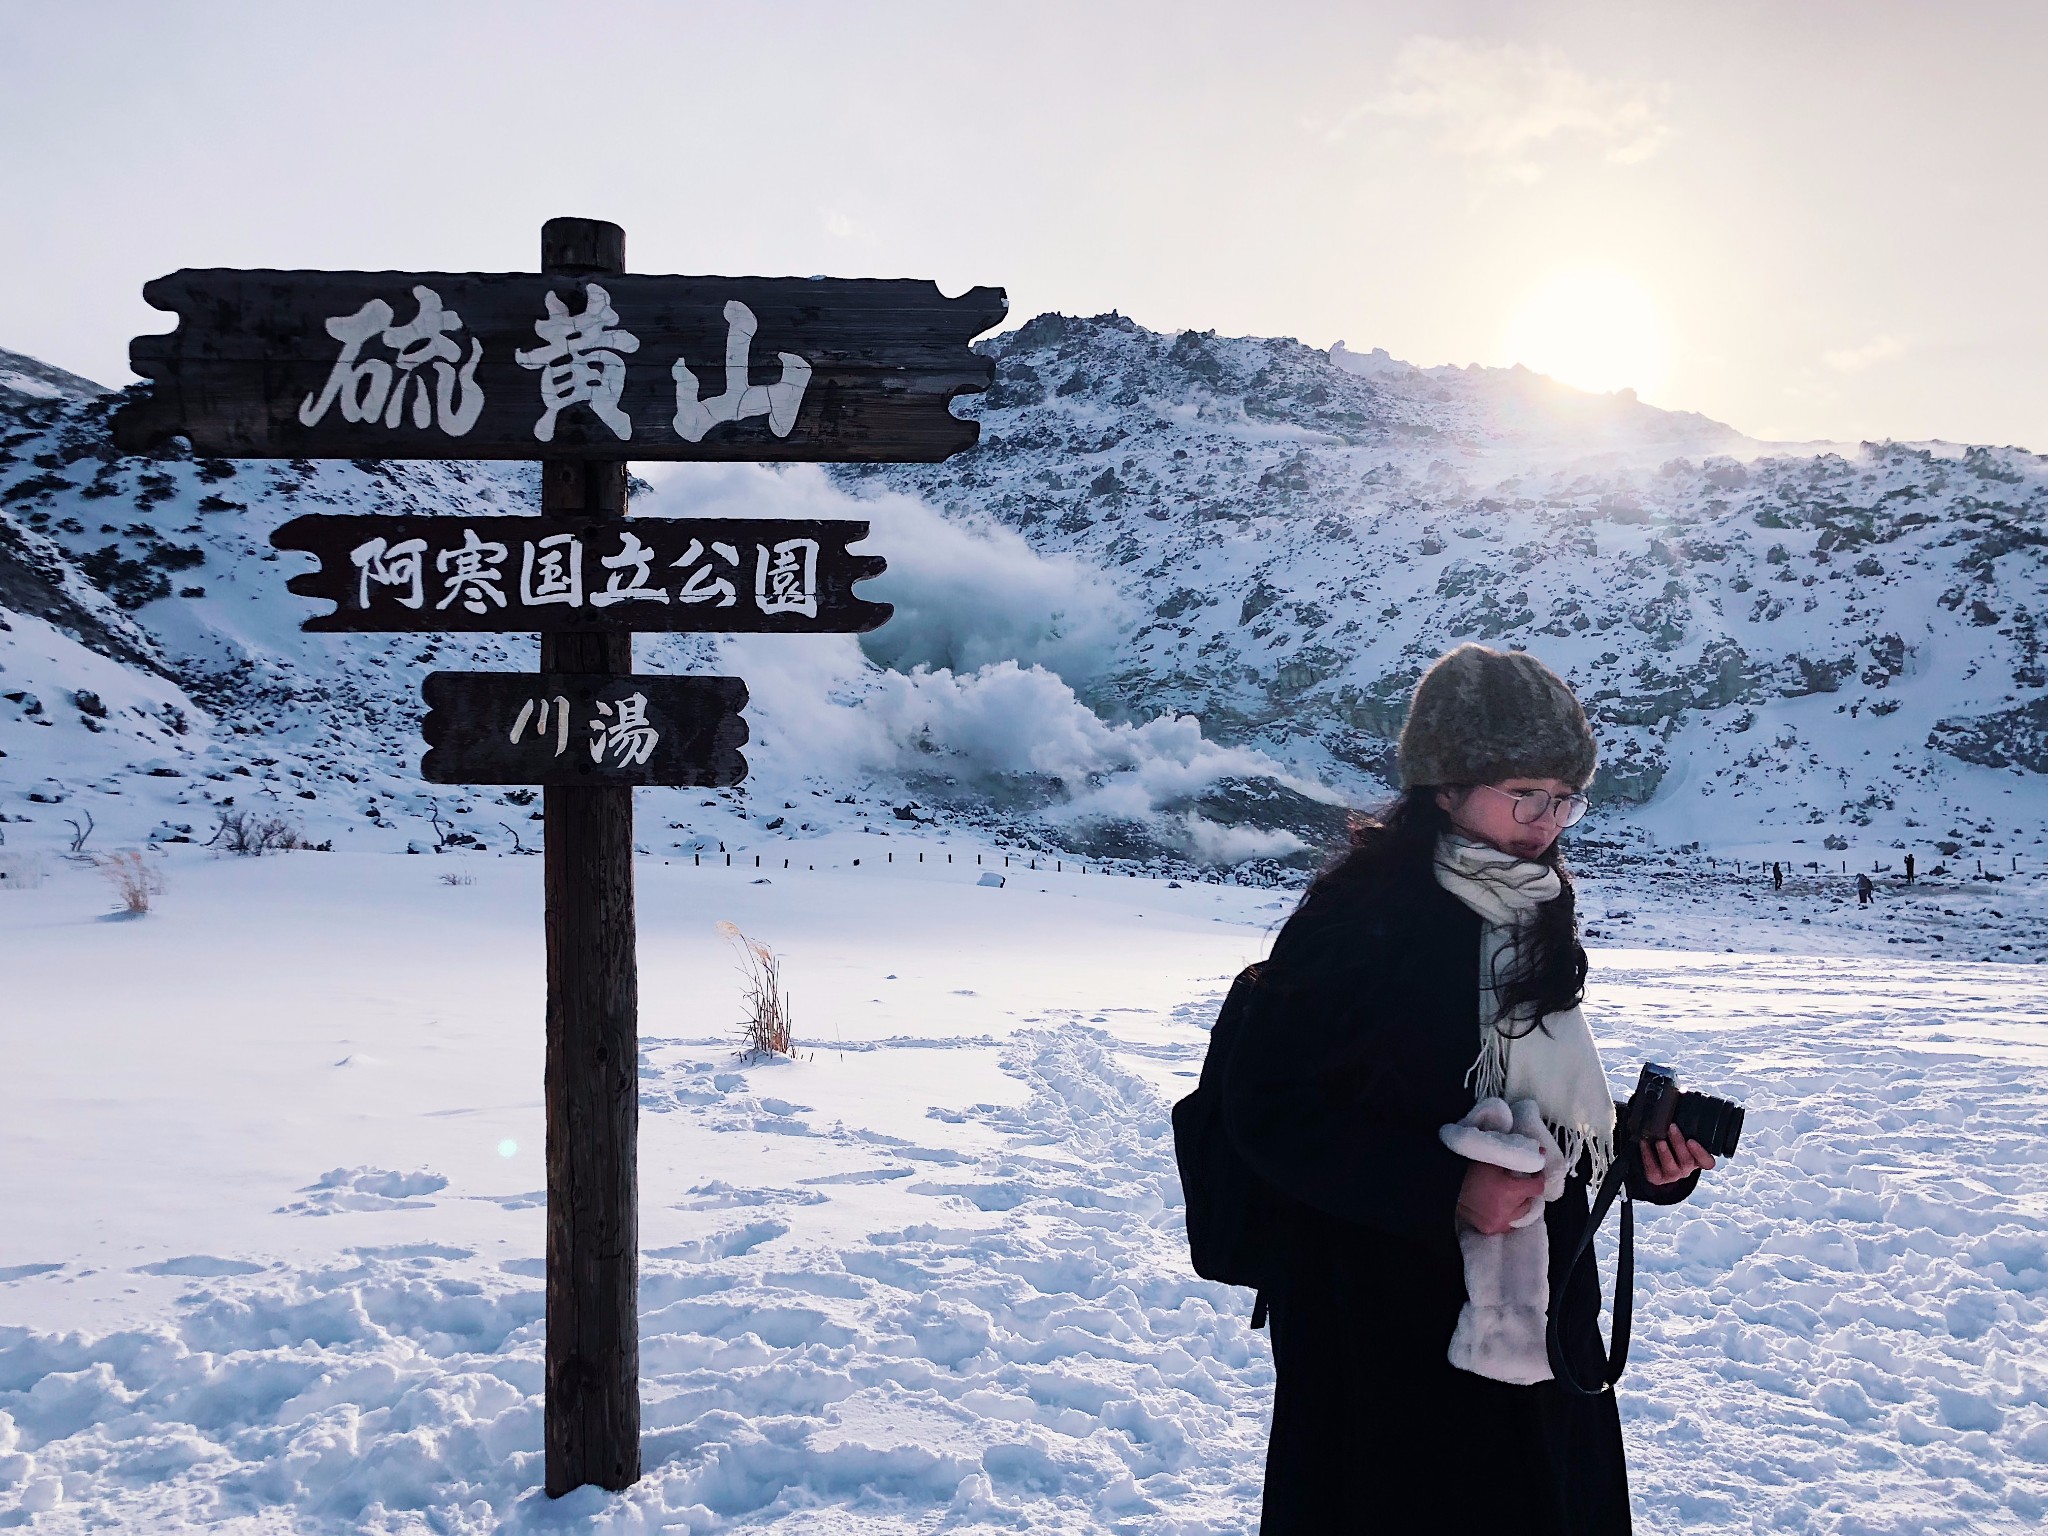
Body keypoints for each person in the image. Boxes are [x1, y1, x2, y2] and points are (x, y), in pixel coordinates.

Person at [1222, 643, 1716, 1534]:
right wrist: (1447, 1187)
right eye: (1526, 794)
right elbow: (1270, 1111)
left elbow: (1544, 1108)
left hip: (1538, 1317)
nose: (1548, 822)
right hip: (1382, 1331)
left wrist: (1637, 1162)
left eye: (1566, 798)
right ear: (1444, 786)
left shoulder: (1534, 909)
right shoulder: (1360, 917)